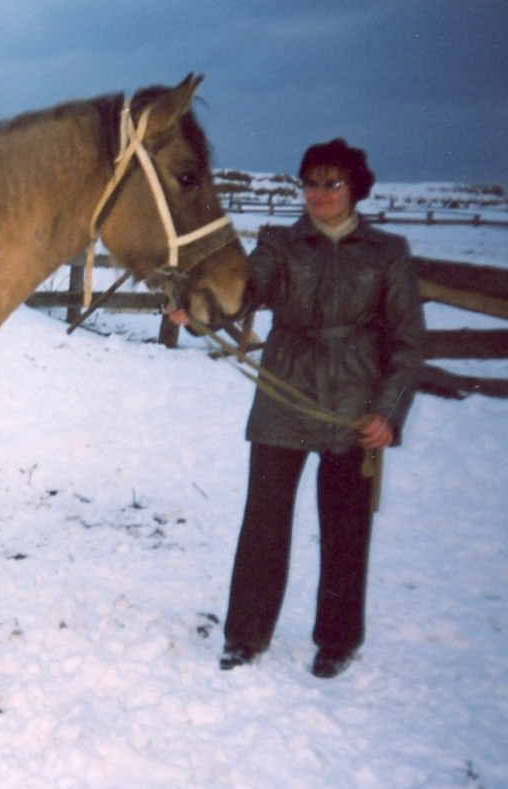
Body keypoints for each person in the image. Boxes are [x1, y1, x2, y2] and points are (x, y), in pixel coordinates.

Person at [174, 138, 426, 678]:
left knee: (345, 527)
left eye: (331, 183)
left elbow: (408, 346)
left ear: (354, 187)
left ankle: (337, 642)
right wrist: (200, 306)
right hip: (285, 393)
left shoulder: (388, 254)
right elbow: (250, 287)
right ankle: (245, 637)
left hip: (353, 407)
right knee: (264, 522)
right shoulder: (281, 243)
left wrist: (388, 412)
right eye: (311, 183)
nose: (319, 194)